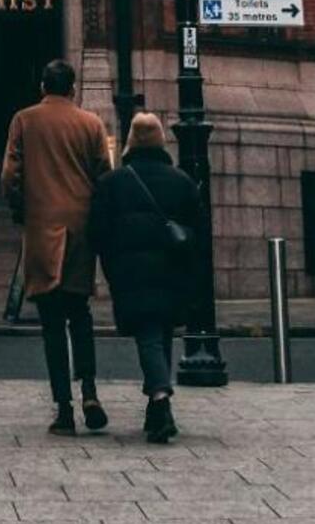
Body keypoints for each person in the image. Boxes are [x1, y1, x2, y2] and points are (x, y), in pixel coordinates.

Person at [1, 58, 111, 434]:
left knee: (51, 322)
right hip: (81, 229)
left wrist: (22, 210)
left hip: (42, 227)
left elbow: (10, 176)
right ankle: (90, 391)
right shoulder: (91, 123)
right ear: (73, 89)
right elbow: (104, 177)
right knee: (79, 312)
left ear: (43, 88)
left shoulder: (24, 120)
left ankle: (64, 409)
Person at [89, 112, 200, 444]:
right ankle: (157, 409)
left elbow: (98, 231)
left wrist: (111, 266)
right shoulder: (182, 181)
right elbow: (199, 231)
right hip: (171, 271)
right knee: (160, 332)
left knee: (150, 334)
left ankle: (159, 401)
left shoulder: (113, 182)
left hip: (131, 271)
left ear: (131, 142)